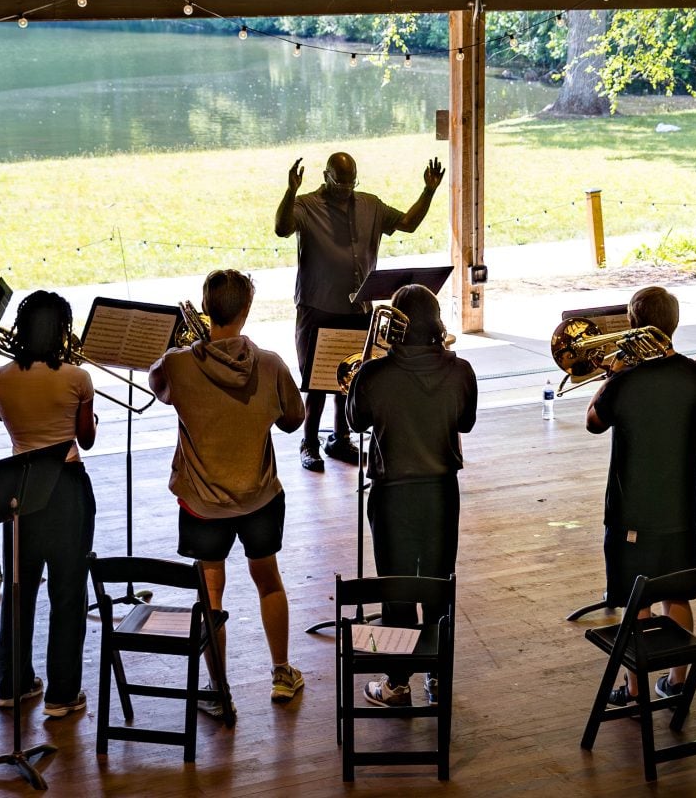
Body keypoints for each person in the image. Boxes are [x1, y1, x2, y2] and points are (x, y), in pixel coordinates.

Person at [150, 270, 307, 713]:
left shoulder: (178, 364)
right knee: (268, 581)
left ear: (205, 306)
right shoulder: (272, 363)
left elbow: (156, 383)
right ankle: (281, 673)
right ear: (246, 310)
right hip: (259, 498)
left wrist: (186, 344)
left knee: (211, 594)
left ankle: (219, 691)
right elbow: (294, 420)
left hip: (202, 503)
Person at [345, 284, 477, 708]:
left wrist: (366, 366)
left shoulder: (375, 375)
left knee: (396, 591)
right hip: (441, 493)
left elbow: (355, 420)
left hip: (391, 496)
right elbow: (467, 422)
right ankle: (437, 678)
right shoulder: (461, 371)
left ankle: (397, 683)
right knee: (438, 585)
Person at [275, 152, 443, 472]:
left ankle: (340, 438)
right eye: (339, 183)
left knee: (351, 379)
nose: (345, 189)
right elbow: (282, 229)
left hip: (358, 308)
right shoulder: (307, 206)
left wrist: (429, 191)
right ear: (325, 176)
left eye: (351, 183)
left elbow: (407, 224)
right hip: (317, 306)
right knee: (317, 382)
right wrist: (290, 191)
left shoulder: (371, 205)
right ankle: (309, 442)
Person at [587, 286, 696, 703]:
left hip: (632, 511)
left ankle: (636, 687)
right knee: (675, 592)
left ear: (632, 323)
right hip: (681, 506)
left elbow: (593, 421)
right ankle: (677, 683)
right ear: (674, 323)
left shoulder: (626, 380)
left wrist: (611, 373)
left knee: (636, 600)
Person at [0, 291, 98, 719]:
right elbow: (84, 438)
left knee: (19, 587)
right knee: (67, 591)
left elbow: (4, 417)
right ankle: (62, 694)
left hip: (19, 485)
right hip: (66, 484)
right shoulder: (77, 378)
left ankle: (12, 684)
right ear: (63, 330)